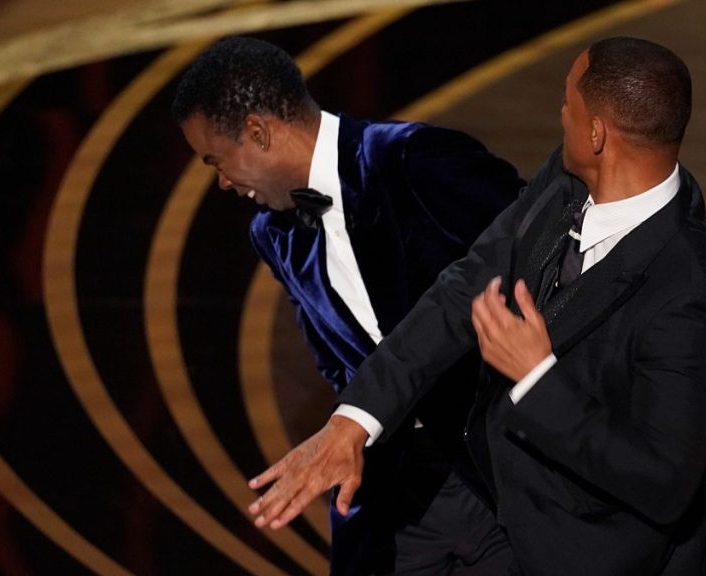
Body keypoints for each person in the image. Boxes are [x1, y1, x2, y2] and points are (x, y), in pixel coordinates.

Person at [248, 37, 706, 575]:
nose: (559, 112)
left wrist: (537, 377)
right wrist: (353, 422)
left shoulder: (686, 292)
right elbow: (463, 287)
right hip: (515, 518)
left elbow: (661, 481)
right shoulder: (569, 179)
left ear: (597, 134)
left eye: (568, 102)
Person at [172, 36, 524, 575]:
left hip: (504, 475)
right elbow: (335, 360)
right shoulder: (273, 233)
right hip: (396, 495)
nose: (221, 181)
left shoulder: (413, 158)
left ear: (258, 133)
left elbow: (542, 257)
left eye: (217, 161)